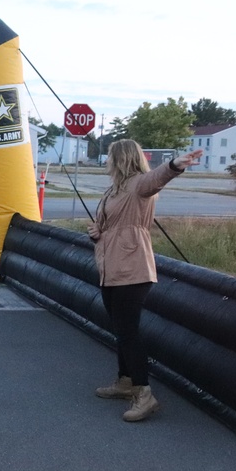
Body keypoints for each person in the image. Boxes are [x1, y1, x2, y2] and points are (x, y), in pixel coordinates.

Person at [87, 140, 203, 422]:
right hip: (111, 266)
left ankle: (144, 393)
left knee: (129, 331)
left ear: (120, 159)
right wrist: (97, 231)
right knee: (120, 328)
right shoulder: (115, 189)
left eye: (109, 157)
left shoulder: (139, 184)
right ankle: (126, 381)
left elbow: (157, 178)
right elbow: (110, 224)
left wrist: (175, 165)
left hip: (132, 268)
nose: (106, 162)